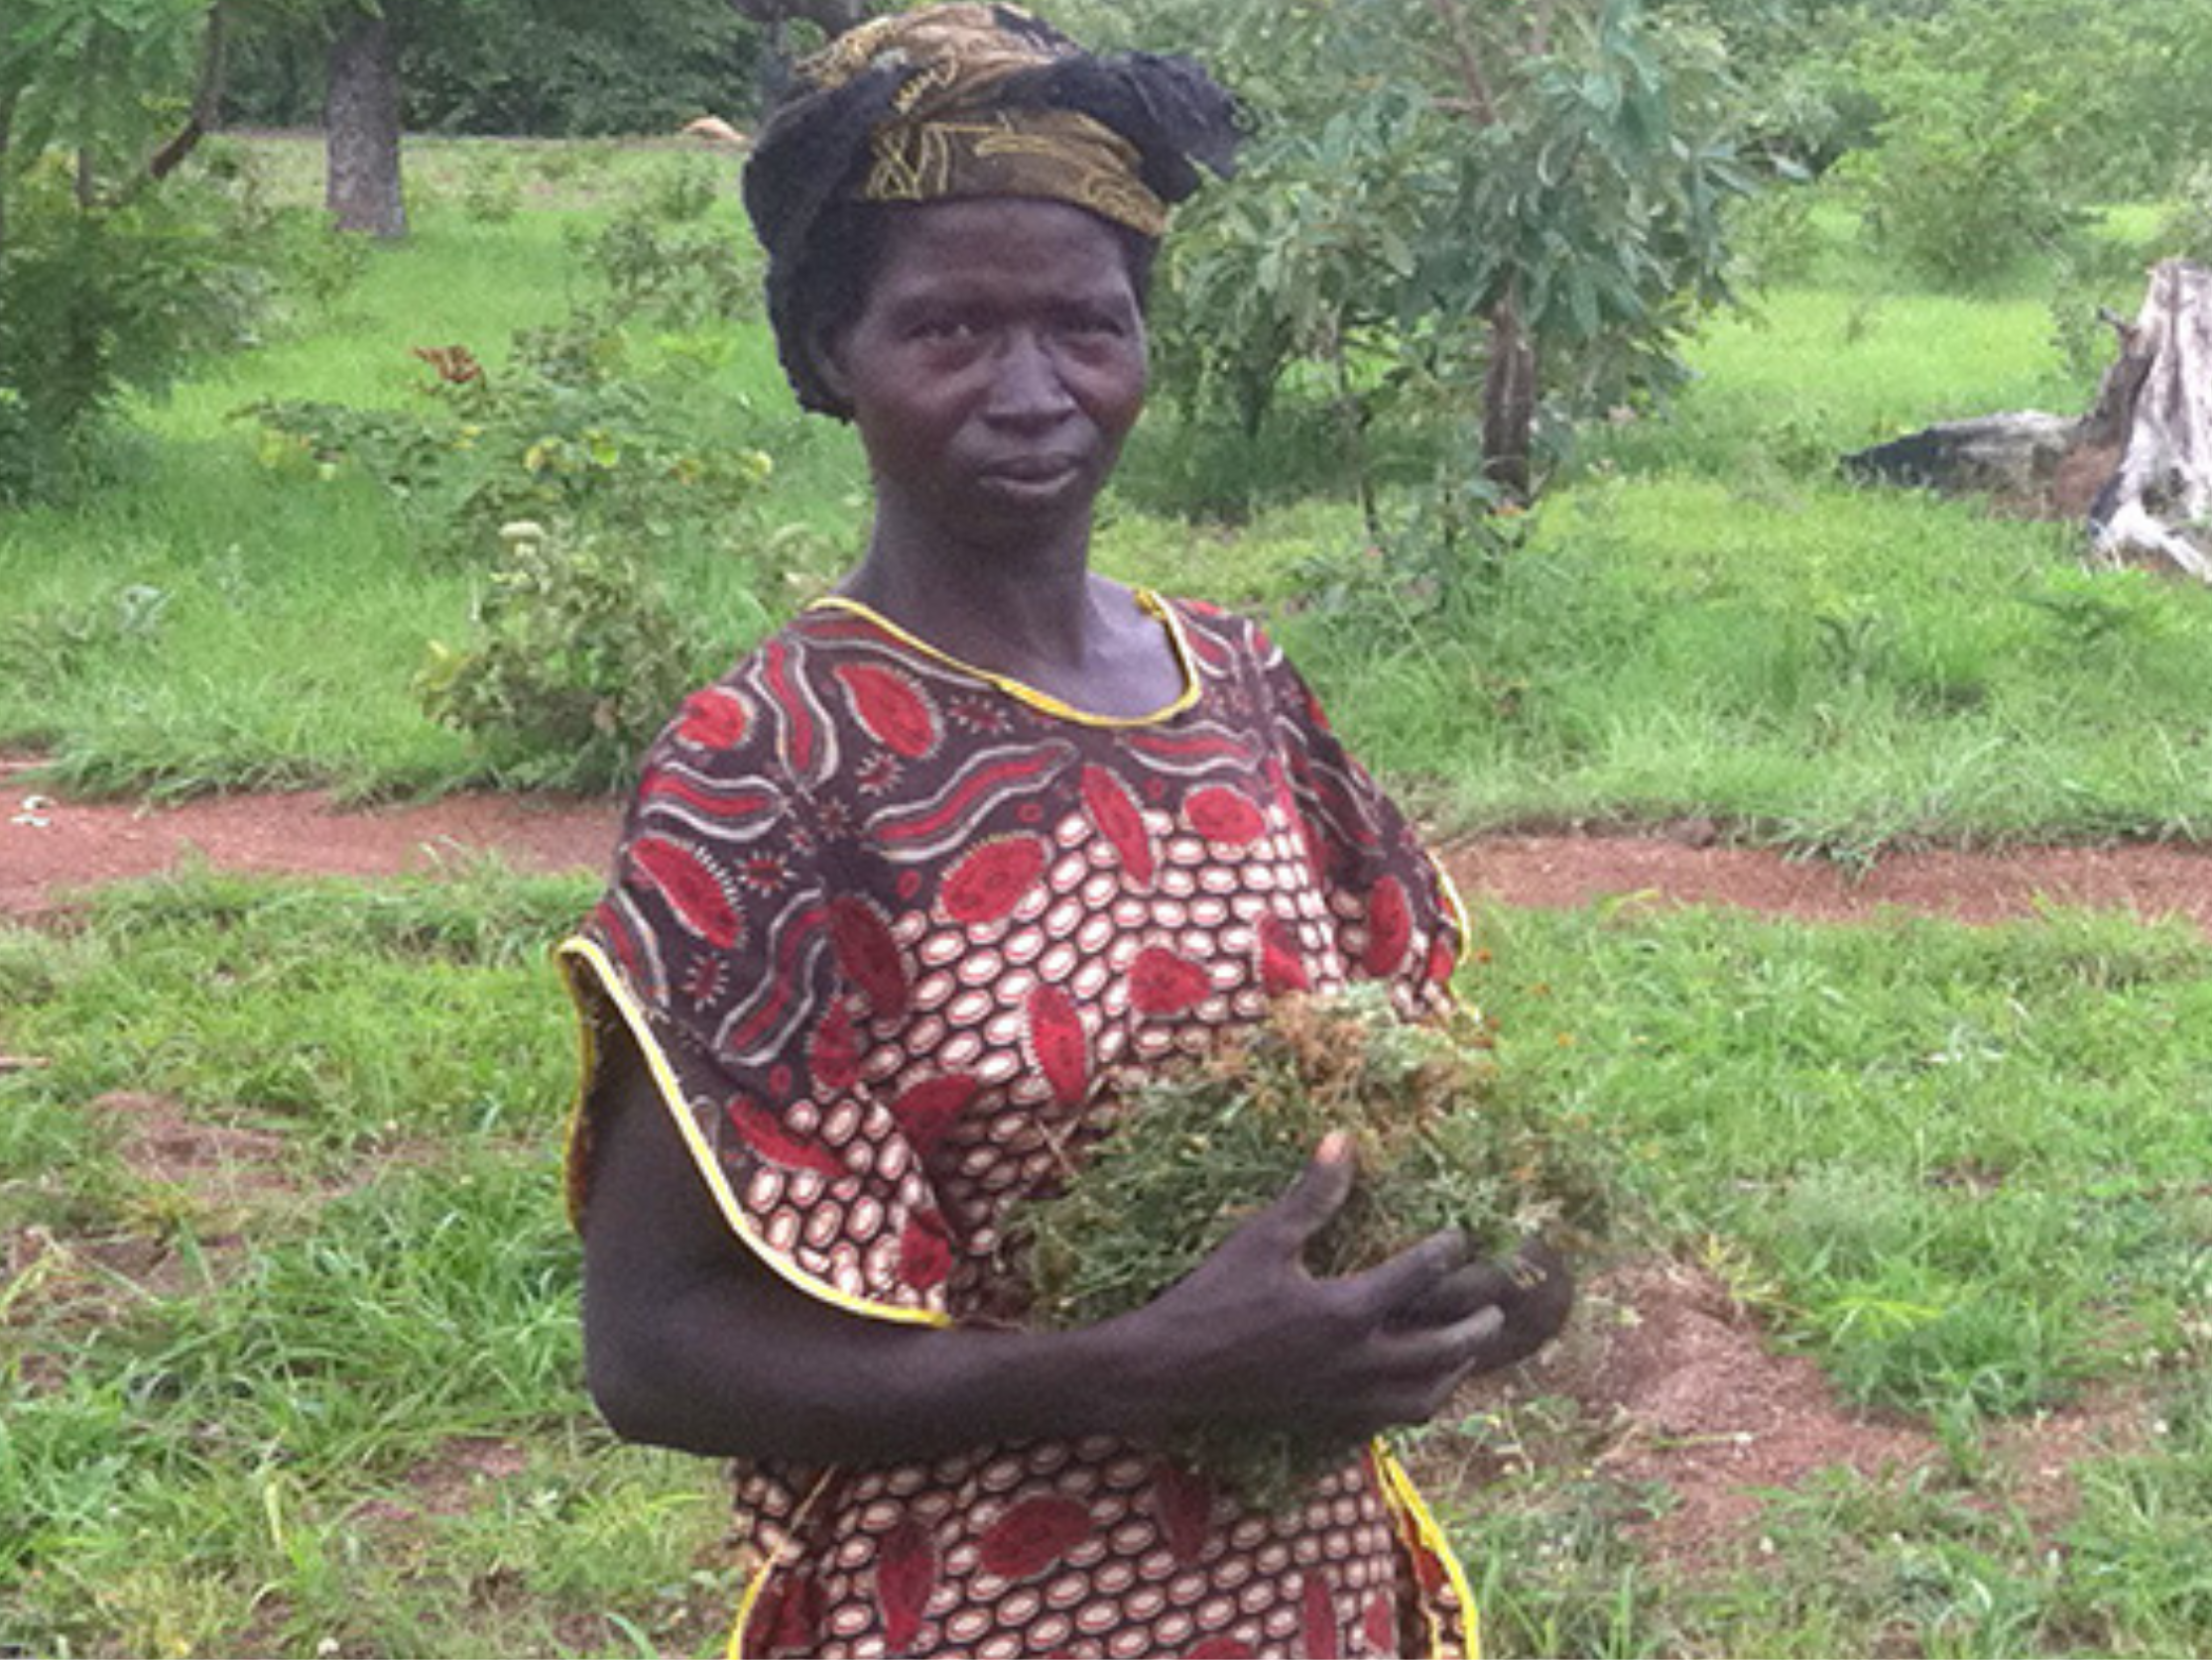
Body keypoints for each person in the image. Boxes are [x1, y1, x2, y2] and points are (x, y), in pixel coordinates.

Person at [558, 7, 1571, 1655]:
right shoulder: (771, 760)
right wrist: (1134, 1368)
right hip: (977, 1605)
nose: (1031, 391)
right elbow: (654, 1351)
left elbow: (1411, 1100)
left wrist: (1477, 1275)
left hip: (1308, 1592)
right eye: (948, 326)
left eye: (1084, 325)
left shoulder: (1239, 684)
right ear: (830, 348)